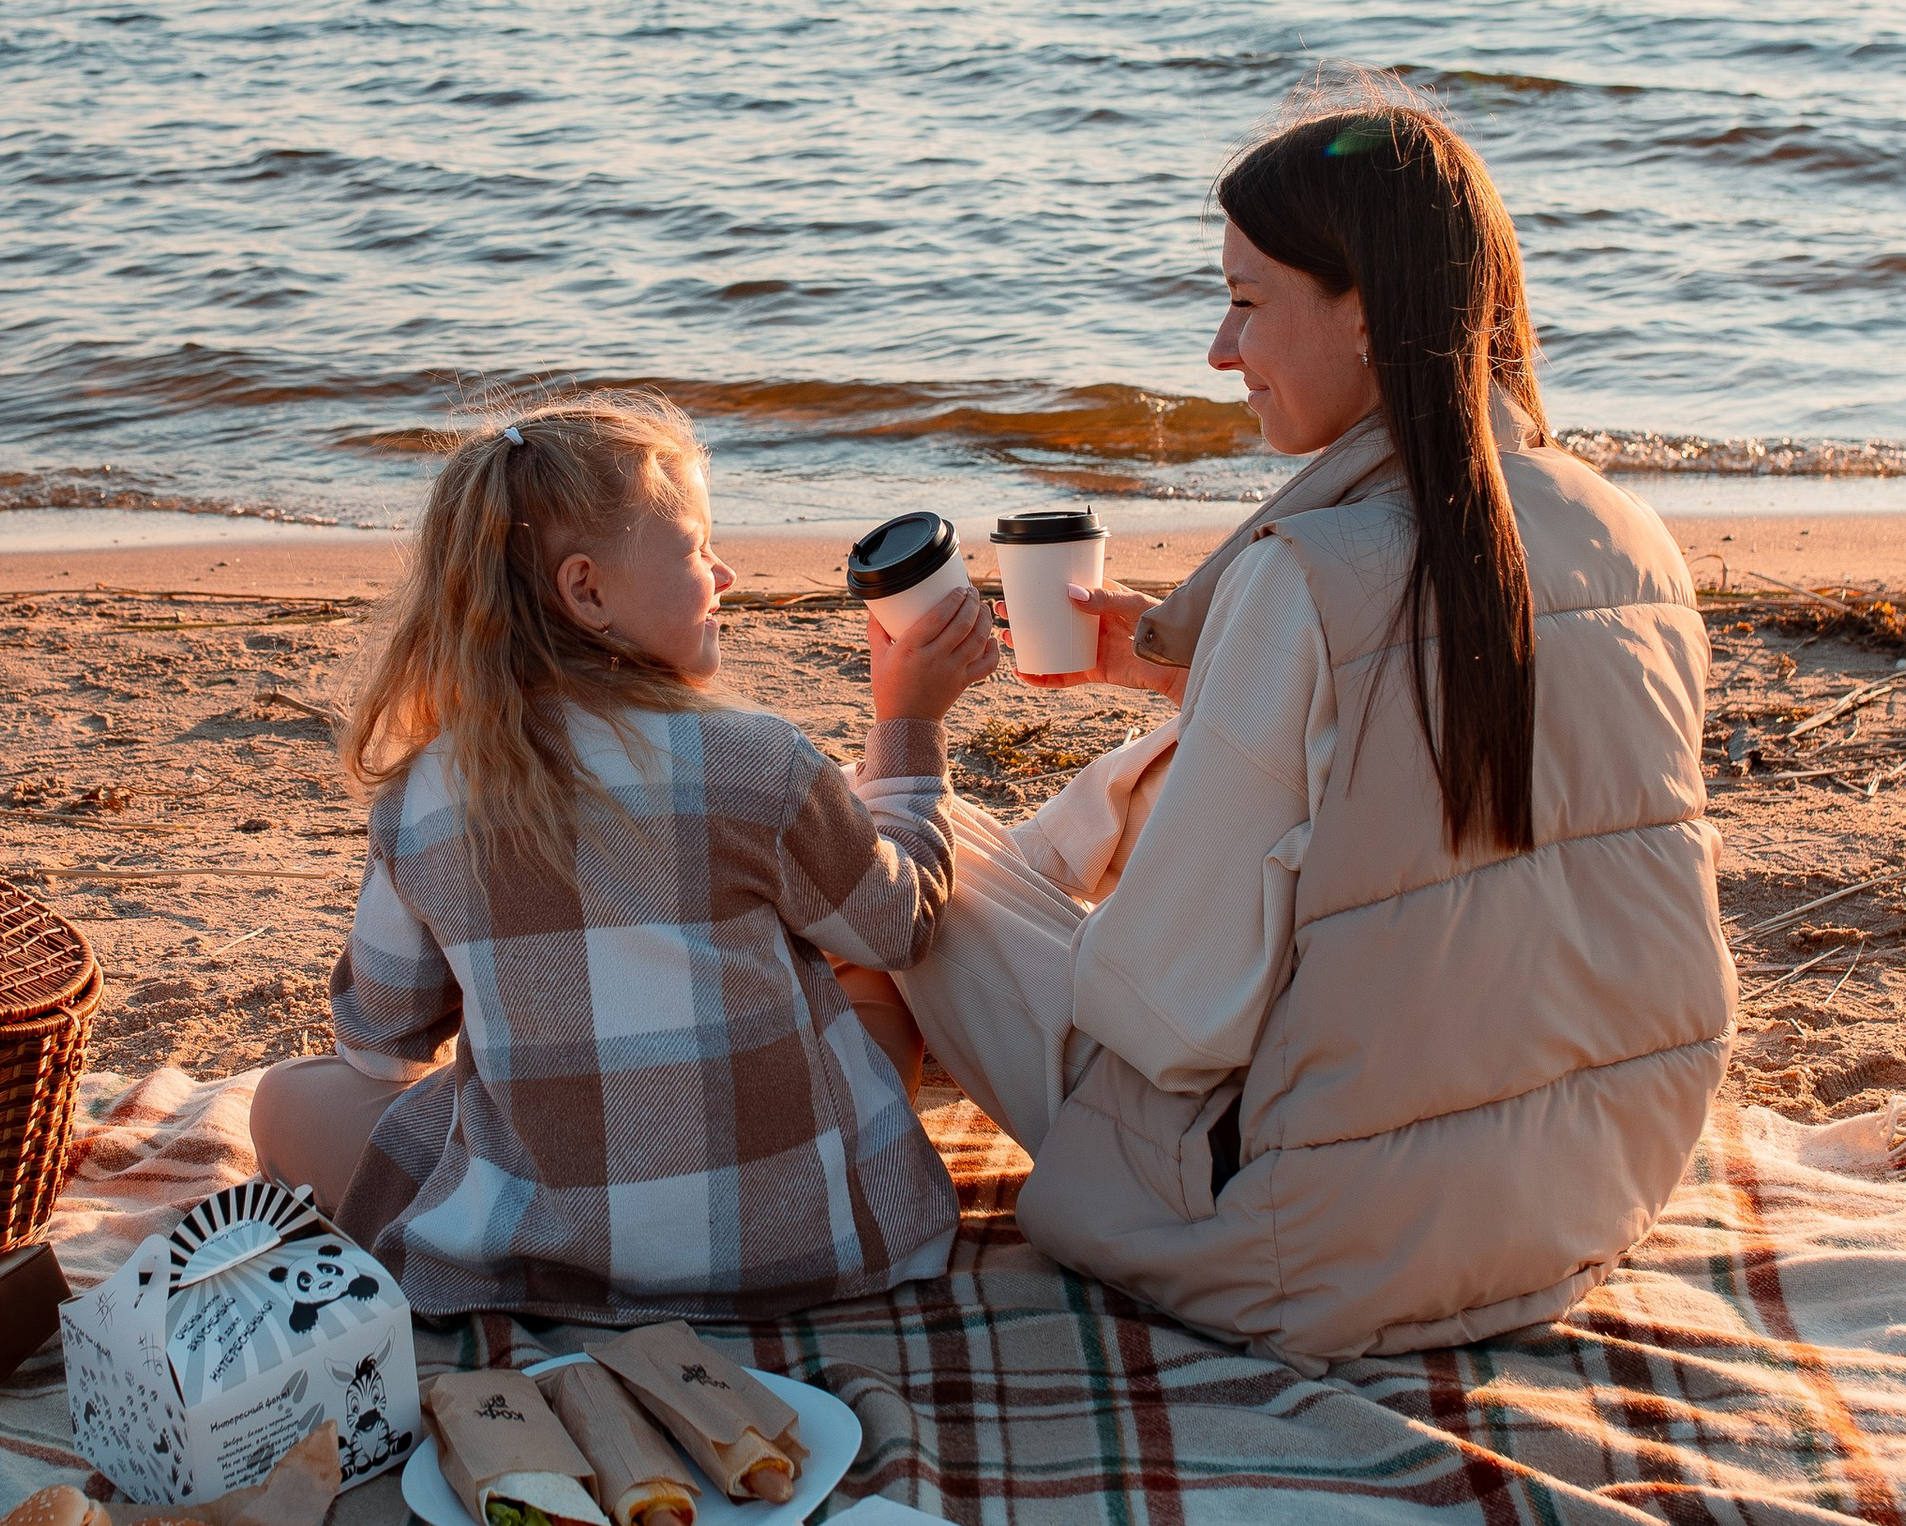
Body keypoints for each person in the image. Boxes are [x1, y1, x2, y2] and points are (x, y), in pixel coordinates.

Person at [887, 94, 1738, 1367]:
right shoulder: (1627, 531)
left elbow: (1169, 1018)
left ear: (1365, 307)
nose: (1221, 349)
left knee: (909, 856)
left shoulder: (1307, 577)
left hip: (1317, 1244)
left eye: (1245, 299)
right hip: (1588, 1195)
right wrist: (1205, 688)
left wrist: (922, 772)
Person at [249, 388, 999, 1320]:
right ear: (586, 590)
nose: (723, 572)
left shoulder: (427, 796)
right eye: (693, 549)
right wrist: (910, 725)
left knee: (285, 1101)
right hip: (806, 1250)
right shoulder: (761, 759)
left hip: (546, 1262)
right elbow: (901, 923)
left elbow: (378, 1042)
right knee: (871, 983)